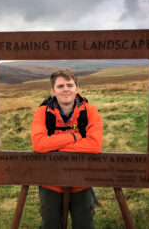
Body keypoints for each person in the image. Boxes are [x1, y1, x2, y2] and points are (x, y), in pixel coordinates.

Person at [31, 69, 103, 229]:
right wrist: (75, 137)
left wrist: (54, 145)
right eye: (60, 86)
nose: (65, 89)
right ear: (53, 90)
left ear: (76, 88)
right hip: (50, 181)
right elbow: (39, 144)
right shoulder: (41, 112)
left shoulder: (90, 111)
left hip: (81, 180)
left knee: (84, 225)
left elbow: (95, 145)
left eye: (70, 85)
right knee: (49, 225)